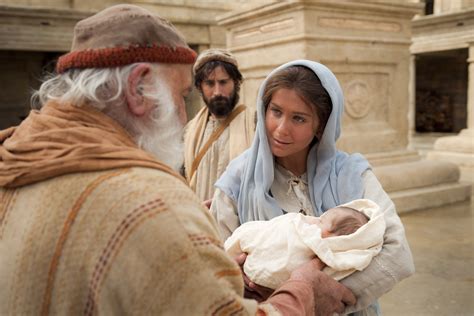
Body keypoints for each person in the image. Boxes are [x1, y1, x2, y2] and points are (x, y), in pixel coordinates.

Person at [0, 6, 356, 315]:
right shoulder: (151, 202)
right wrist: (303, 293)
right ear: (139, 88)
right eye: (182, 95)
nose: (184, 118)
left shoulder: (16, 156)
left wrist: (195, 260)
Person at [210, 60, 415, 314]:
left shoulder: (351, 175)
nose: (281, 129)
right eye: (275, 111)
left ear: (321, 126)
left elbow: (397, 254)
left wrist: (321, 294)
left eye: (298, 118)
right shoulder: (236, 180)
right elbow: (217, 265)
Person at [225, 199, 385, 290]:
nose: (314, 220)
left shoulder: (324, 250)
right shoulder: (237, 175)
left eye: (321, 221)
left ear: (332, 235)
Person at [184, 49, 256, 202]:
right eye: (210, 83)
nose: (217, 91)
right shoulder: (190, 130)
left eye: (223, 82)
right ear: (199, 87)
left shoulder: (254, 124)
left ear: (236, 83)